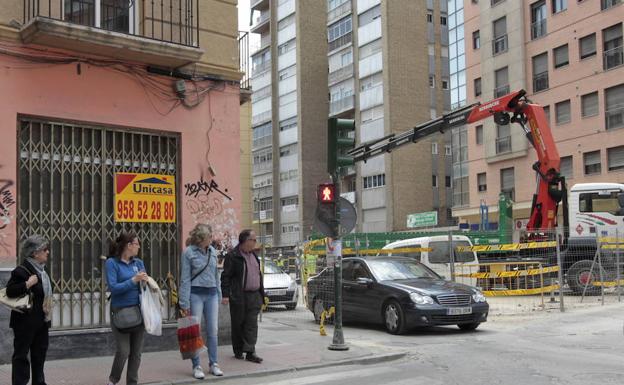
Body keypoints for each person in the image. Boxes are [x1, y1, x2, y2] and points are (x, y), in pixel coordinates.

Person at [6, 235, 52, 385]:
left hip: (41, 322)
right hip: (24, 323)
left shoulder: (43, 272)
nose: (48, 252)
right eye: (45, 249)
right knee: (21, 357)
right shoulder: (21, 271)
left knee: (39, 356)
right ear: (34, 253)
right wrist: (27, 284)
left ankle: (39, 382)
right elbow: (10, 291)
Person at [179, 224, 223, 379]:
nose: (212, 239)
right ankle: (196, 365)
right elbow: (184, 278)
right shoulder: (188, 253)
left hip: (211, 294)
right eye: (209, 236)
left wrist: (219, 294)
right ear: (201, 238)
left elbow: (216, 276)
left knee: (213, 330)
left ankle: (214, 363)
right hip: (195, 295)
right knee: (194, 332)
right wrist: (184, 303)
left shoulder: (212, 251)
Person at [105, 232, 149, 385]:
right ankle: (113, 379)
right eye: (137, 244)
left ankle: (132, 382)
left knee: (136, 353)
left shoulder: (138, 263)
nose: (139, 247)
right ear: (128, 246)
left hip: (138, 310)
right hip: (120, 311)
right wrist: (133, 280)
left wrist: (146, 282)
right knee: (124, 351)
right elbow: (114, 288)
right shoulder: (112, 263)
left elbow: (144, 287)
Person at [221, 229, 265, 363]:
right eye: (254, 240)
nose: (255, 242)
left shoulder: (254, 255)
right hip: (239, 296)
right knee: (238, 324)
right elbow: (225, 277)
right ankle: (238, 350)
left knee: (251, 324)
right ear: (246, 241)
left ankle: (251, 352)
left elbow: (258, 275)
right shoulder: (233, 256)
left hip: (254, 295)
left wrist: (262, 295)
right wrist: (226, 295)